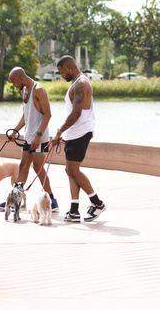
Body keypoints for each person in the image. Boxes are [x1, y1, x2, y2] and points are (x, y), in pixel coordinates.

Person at [0, 67, 59, 212]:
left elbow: (48, 114)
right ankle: (13, 201)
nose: (13, 85)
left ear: (21, 78)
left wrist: (39, 135)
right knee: (23, 166)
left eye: (13, 82)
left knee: (38, 168)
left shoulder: (39, 90)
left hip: (38, 138)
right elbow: (26, 115)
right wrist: (15, 131)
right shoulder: (25, 91)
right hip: (29, 137)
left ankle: (52, 200)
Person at [50, 55, 106, 222]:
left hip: (81, 132)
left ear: (69, 68)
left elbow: (75, 114)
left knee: (73, 170)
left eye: (61, 72)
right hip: (74, 133)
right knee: (70, 171)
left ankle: (97, 203)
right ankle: (74, 210)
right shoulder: (78, 83)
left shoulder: (81, 84)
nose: (61, 76)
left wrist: (59, 131)